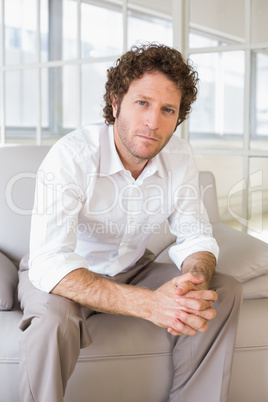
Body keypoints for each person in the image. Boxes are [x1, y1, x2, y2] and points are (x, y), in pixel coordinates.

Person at [18, 43, 242, 402]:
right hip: (65, 274)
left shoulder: (180, 157)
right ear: (115, 102)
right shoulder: (72, 156)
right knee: (52, 323)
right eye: (143, 103)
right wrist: (149, 304)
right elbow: (50, 261)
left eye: (168, 110)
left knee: (221, 290)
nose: (154, 122)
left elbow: (195, 234)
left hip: (131, 267)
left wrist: (191, 280)